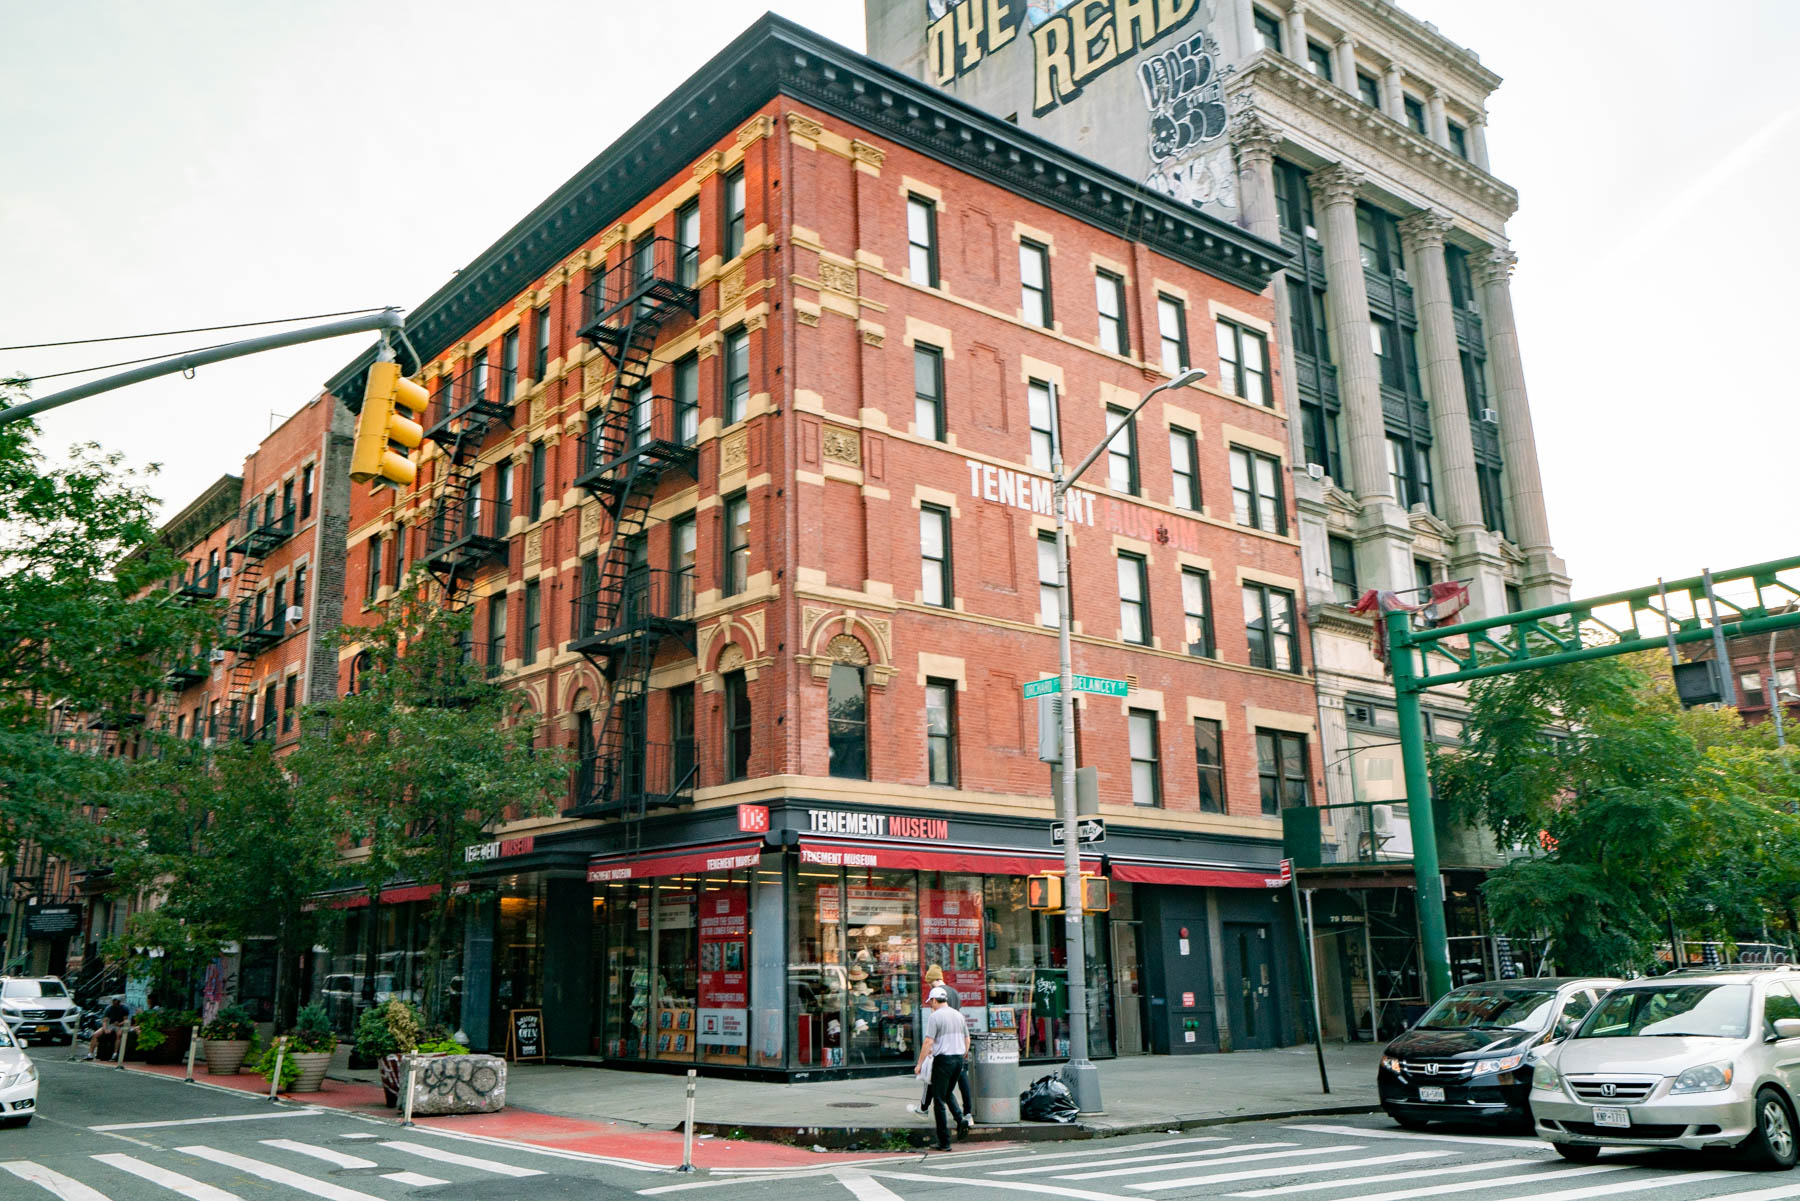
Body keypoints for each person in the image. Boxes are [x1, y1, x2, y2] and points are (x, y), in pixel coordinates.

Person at [915, 985, 969, 1150]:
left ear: (933, 1000)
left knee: (938, 1101)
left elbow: (928, 1041)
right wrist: (963, 1054)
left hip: (943, 1061)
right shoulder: (958, 1015)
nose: (930, 1005)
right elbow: (967, 1039)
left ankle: (944, 1142)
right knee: (946, 1093)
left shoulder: (935, 1016)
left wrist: (919, 1063)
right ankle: (960, 1120)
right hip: (958, 1060)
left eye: (930, 1002)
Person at [915, 966, 973, 1118]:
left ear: (931, 981)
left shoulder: (936, 995)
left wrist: (929, 1049)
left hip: (943, 1044)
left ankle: (926, 1108)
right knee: (962, 1078)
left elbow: (935, 1021)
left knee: (934, 1080)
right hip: (958, 1042)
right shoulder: (954, 992)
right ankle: (967, 1112)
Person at [89, 996, 130, 1061]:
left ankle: (115, 1053)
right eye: (114, 1001)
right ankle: (90, 1053)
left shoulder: (124, 1008)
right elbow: (105, 1020)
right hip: (111, 1024)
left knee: (119, 1035)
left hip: (120, 1025)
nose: (115, 1003)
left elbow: (126, 1020)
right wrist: (105, 1029)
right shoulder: (108, 1008)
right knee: (95, 1034)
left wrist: (119, 1024)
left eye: (117, 1002)